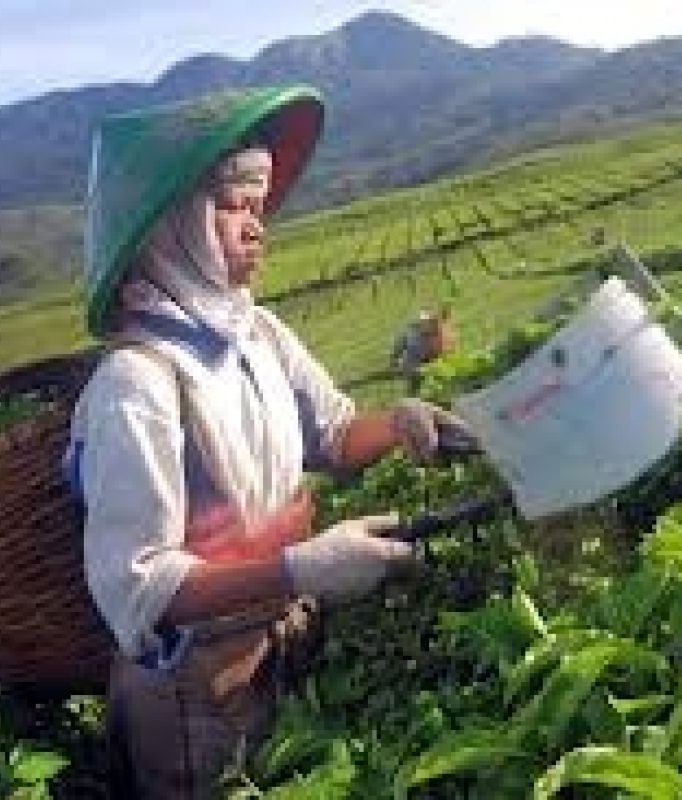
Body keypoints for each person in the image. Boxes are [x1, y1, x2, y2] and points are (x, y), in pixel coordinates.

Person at [66, 85, 471, 798]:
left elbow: (337, 436)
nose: (258, 231)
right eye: (233, 207)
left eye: (259, 210)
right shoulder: (137, 383)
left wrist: (401, 421)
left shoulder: (258, 334)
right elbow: (139, 588)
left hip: (287, 640)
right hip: (198, 693)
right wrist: (300, 569)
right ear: (167, 227)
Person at [391, 307, 457, 393]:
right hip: (417, 359)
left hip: (432, 358)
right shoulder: (415, 339)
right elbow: (408, 362)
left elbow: (449, 353)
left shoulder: (446, 334)